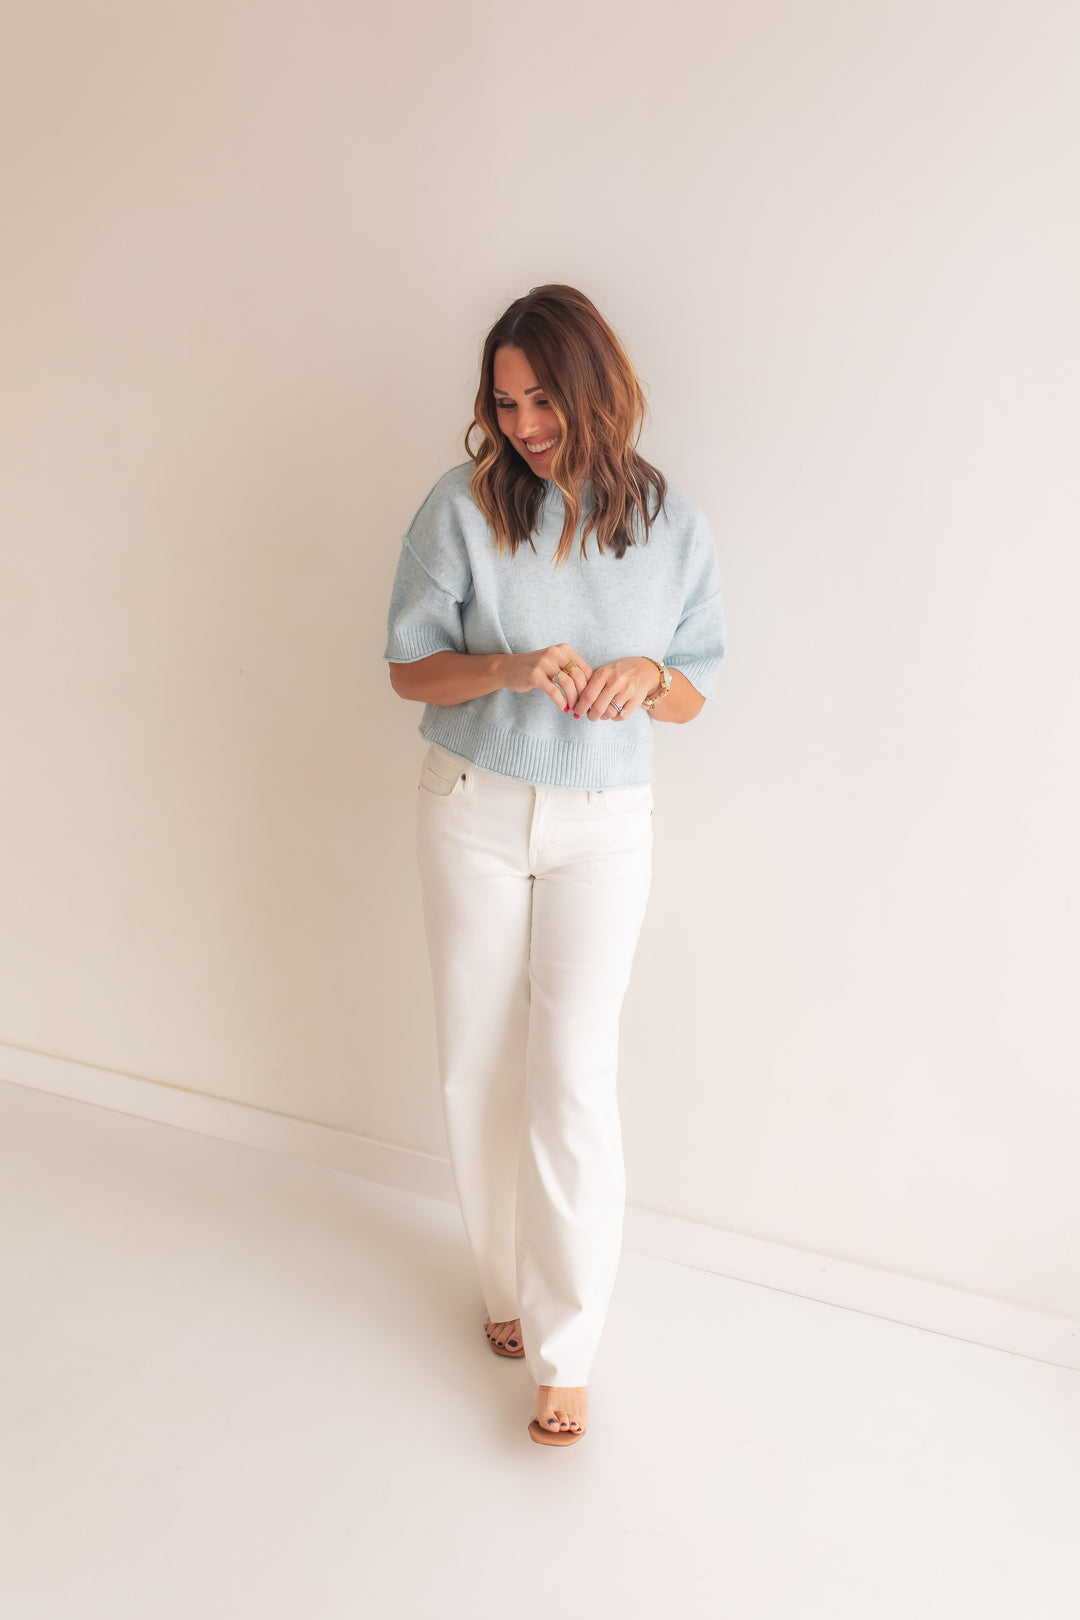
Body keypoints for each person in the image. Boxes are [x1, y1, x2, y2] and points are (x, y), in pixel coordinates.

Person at [383, 284, 726, 1447]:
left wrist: (644, 677)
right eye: (505, 399)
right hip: (472, 804)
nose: (524, 422)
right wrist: (513, 666)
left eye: (542, 398)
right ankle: (500, 1293)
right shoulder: (464, 507)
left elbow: (694, 684)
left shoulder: (672, 523)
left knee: (573, 1079)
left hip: (603, 824)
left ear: (595, 389)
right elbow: (408, 670)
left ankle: (565, 1348)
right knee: (476, 1065)